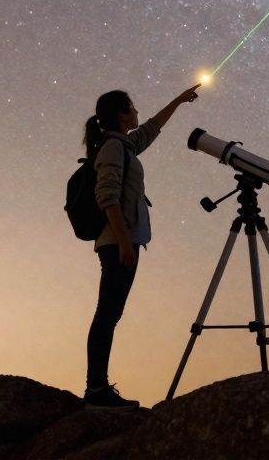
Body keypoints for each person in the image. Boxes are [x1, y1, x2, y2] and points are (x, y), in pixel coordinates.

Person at [82, 83, 201, 410]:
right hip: (118, 242)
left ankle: (97, 387)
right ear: (121, 115)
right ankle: (96, 389)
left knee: (110, 312)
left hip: (124, 241)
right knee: (107, 314)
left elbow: (151, 129)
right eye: (132, 107)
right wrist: (124, 243)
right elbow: (106, 195)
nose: (137, 111)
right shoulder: (113, 149)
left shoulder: (124, 145)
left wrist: (179, 99)